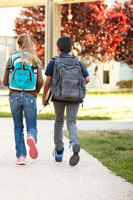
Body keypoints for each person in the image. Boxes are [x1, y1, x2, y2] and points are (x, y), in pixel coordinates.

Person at [42, 36, 90, 166]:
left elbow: (48, 81)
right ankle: (73, 143)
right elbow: (87, 79)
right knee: (71, 121)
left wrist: (44, 97)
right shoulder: (77, 62)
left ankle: (59, 151)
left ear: (58, 48)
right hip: (75, 97)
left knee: (58, 121)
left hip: (58, 96)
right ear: (70, 48)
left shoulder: (54, 61)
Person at [3, 34, 44, 165]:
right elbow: (40, 80)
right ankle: (31, 137)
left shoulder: (12, 57)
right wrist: (35, 91)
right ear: (30, 44)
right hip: (30, 95)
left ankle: (21, 156)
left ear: (18, 44)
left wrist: (13, 88)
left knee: (17, 126)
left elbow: (5, 81)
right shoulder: (34, 58)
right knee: (31, 125)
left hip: (14, 95)